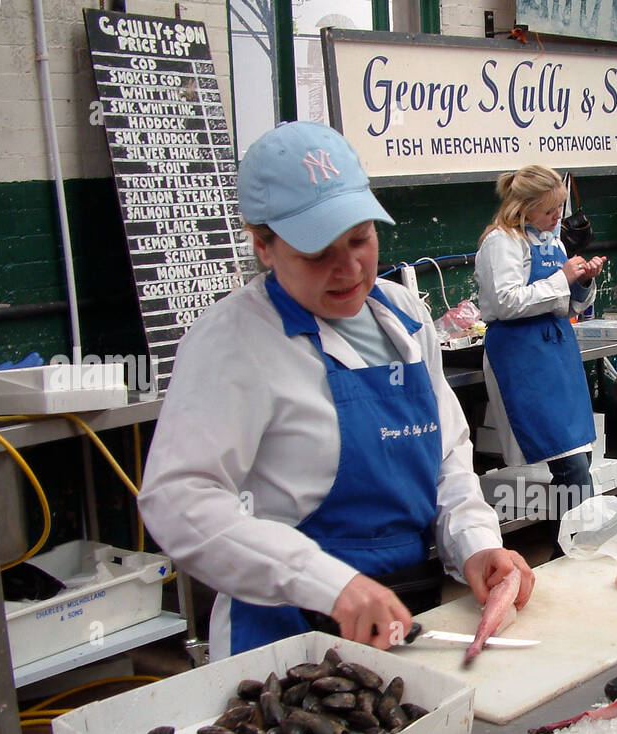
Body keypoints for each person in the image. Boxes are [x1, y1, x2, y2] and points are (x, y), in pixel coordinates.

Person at [138, 121, 533, 658]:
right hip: (285, 635)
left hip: (414, 614)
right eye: (318, 252)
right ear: (264, 246)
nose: (348, 268)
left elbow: (447, 458)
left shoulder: (406, 318)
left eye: (360, 238)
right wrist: (325, 582)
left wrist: (477, 542)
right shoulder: (232, 341)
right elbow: (177, 499)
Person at [476, 165, 606, 517]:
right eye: (549, 210)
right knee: (569, 463)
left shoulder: (554, 243)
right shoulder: (501, 242)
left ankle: (572, 539)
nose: (556, 217)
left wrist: (581, 282)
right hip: (524, 357)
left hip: (558, 353)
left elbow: (569, 305)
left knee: (581, 454)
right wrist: (561, 280)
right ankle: (574, 544)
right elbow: (506, 301)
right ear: (524, 206)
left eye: (559, 209)